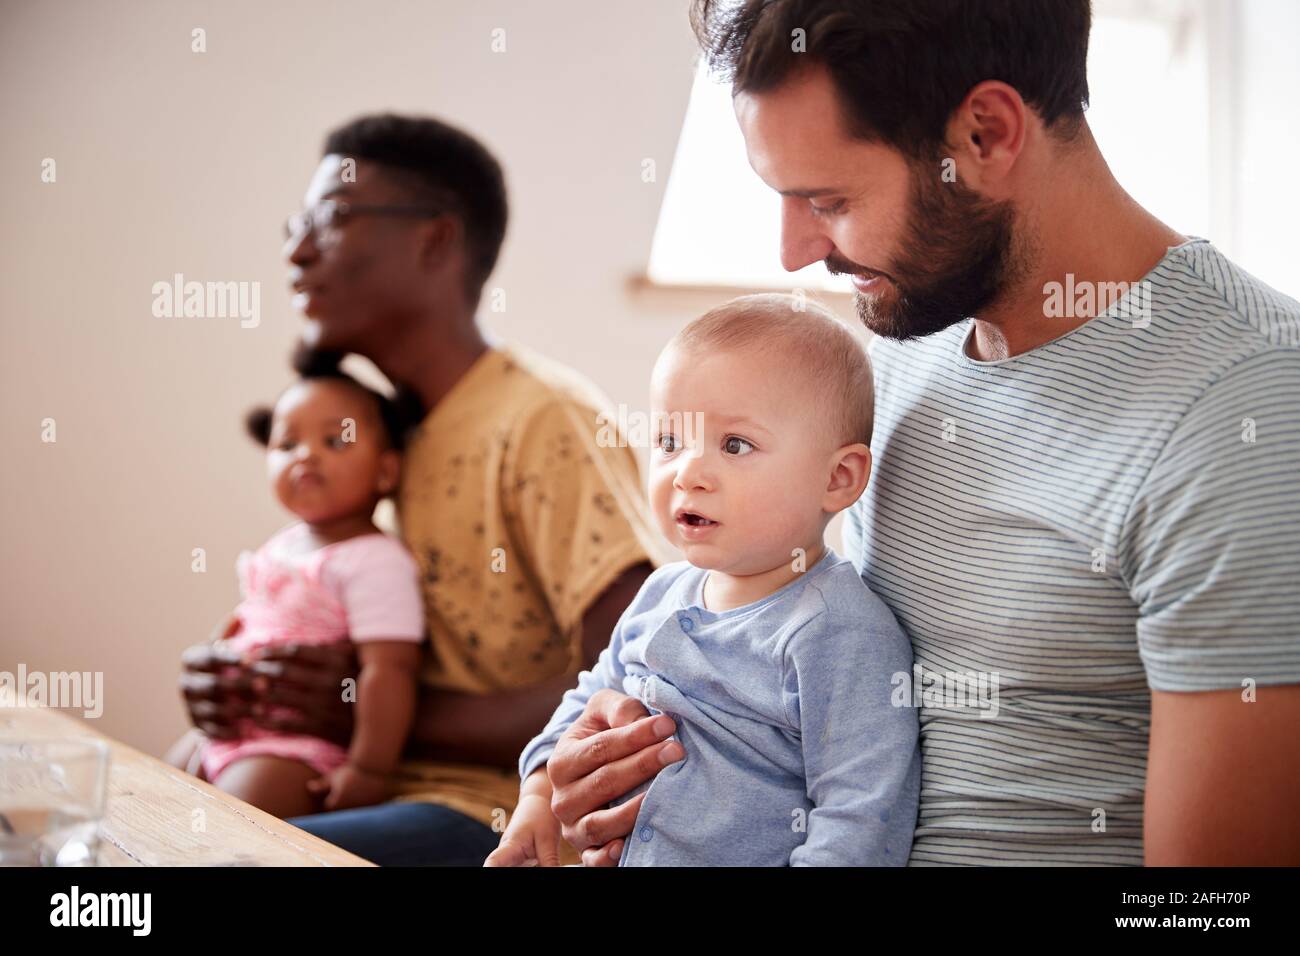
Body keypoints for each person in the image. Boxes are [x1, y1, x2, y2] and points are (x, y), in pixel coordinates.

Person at [539, 0, 1300, 866]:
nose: (792, 252)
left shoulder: (1249, 412)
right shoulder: (908, 344)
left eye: (828, 199)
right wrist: (625, 755)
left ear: (985, 134)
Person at [174, 114, 667, 866]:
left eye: (330, 220)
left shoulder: (543, 422)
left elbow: (628, 682)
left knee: (215, 858)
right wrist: (248, 674)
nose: (296, 251)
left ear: (434, 241)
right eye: (294, 225)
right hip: (372, 781)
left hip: (494, 810)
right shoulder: (388, 433)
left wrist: (369, 714)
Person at [487, 295, 920, 866]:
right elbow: (591, 695)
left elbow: (860, 815)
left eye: (735, 445)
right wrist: (539, 795)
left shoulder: (838, 630)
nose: (688, 471)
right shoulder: (661, 593)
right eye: (669, 442)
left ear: (837, 478)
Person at [167, 351, 425, 818]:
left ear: (386, 471)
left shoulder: (375, 560)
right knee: (153, 797)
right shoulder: (282, 546)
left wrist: (369, 771)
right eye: (287, 444)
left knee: (230, 825)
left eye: (334, 440)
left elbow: (389, 669)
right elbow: (250, 619)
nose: (305, 454)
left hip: (295, 748)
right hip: (228, 730)